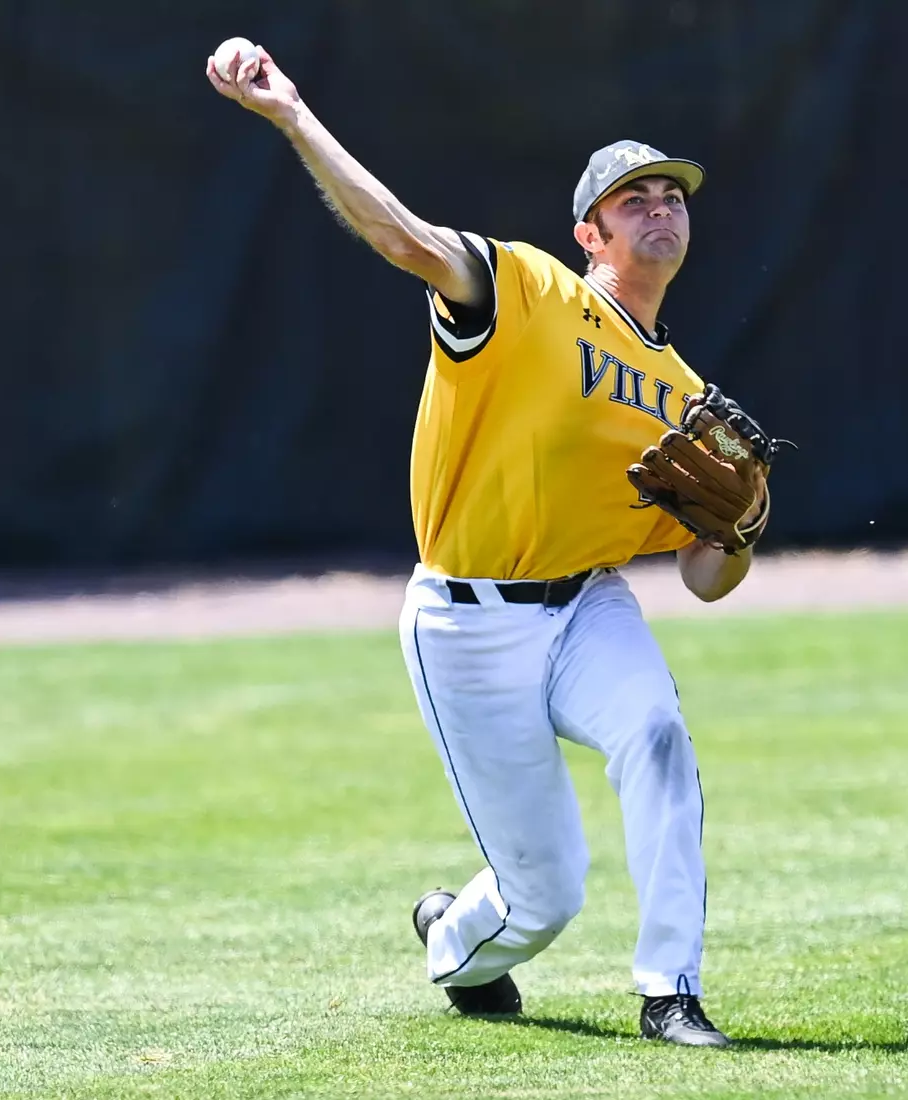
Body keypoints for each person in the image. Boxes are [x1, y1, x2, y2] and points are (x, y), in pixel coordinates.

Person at [208, 39, 773, 1048]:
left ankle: (671, 990)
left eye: (673, 196)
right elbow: (405, 239)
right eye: (634, 197)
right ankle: (453, 936)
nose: (660, 208)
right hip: (467, 620)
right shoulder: (527, 291)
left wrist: (736, 526)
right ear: (587, 233)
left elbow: (703, 572)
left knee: (656, 734)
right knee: (543, 895)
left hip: (588, 604)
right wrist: (293, 115)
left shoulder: (690, 395)